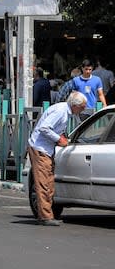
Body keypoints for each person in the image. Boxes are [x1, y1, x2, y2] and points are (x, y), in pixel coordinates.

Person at [27, 92, 87, 226]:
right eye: (82, 107)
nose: (83, 109)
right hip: (40, 148)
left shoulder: (65, 111)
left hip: (46, 149)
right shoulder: (60, 111)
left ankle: (48, 214)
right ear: (75, 105)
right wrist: (58, 139)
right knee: (43, 183)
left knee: (48, 182)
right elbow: (44, 128)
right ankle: (45, 216)